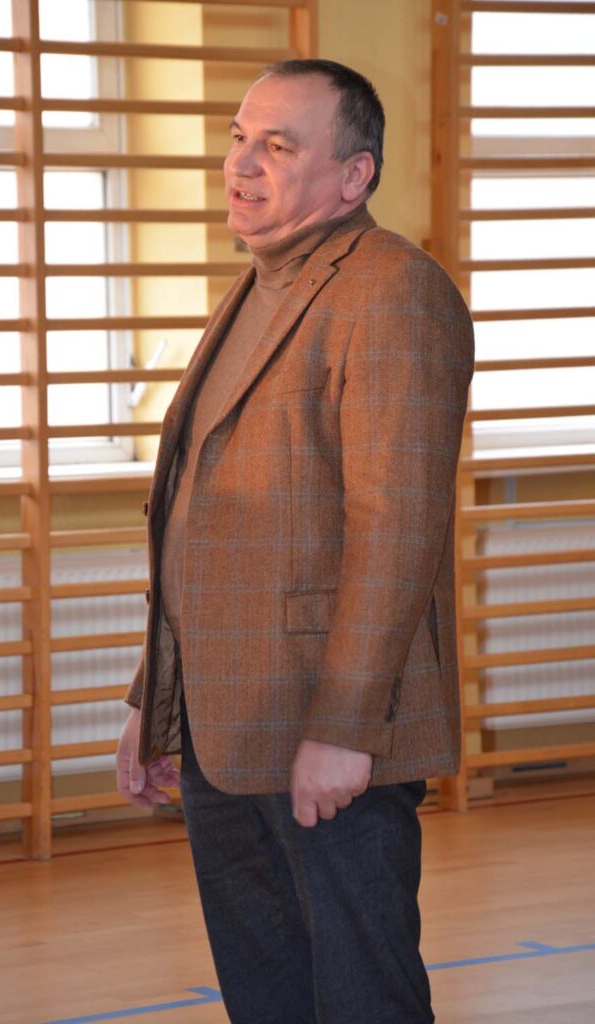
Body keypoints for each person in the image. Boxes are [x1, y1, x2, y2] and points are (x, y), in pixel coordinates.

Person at [116, 58, 474, 1024]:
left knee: (360, 999)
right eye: (239, 138)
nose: (241, 164)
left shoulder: (392, 291)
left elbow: (395, 529)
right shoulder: (258, 283)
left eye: (277, 146)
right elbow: (201, 518)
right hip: (225, 730)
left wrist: (345, 729)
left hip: (326, 734)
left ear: (353, 176)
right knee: (266, 995)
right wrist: (158, 701)